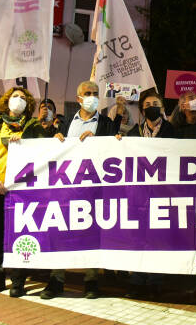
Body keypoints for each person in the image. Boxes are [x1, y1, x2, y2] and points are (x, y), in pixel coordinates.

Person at [40, 81, 121, 300]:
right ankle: (56, 280)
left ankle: (91, 280)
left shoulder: (107, 124)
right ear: (78, 98)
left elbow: (115, 151)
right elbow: (55, 152)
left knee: (92, 233)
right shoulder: (65, 122)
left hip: (94, 187)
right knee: (60, 231)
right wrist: (55, 140)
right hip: (66, 187)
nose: (92, 97)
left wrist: (99, 142)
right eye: (87, 93)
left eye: (95, 93)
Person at [0, 87, 46, 297]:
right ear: (6, 101)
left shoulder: (34, 126)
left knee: (21, 237)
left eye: (23, 98)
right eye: (15, 97)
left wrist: (25, 143)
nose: (18, 100)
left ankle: (18, 280)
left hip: (23, 194)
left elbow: (44, 152)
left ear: (29, 104)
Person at [117, 90, 174, 299]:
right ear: (142, 110)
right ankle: (137, 280)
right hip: (139, 195)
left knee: (159, 238)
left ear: (162, 108)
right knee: (139, 237)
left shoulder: (172, 132)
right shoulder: (134, 133)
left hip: (162, 193)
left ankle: (155, 281)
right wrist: (118, 143)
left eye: (155, 104)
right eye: (148, 105)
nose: (152, 107)